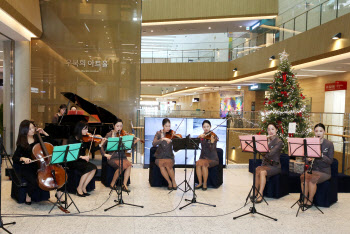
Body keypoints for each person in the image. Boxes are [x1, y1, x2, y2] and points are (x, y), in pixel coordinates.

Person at [13, 120, 64, 204]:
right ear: (24, 130)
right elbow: (15, 157)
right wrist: (23, 158)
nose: (33, 130)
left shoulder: (38, 138)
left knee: (57, 173)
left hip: (41, 164)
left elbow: (52, 142)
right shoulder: (21, 143)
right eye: (30, 129)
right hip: (28, 166)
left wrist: (44, 132)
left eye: (33, 128)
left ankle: (58, 193)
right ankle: (28, 195)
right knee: (33, 180)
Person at [100, 119, 140, 193]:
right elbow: (101, 146)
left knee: (128, 165)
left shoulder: (123, 134)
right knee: (122, 166)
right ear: (113, 126)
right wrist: (104, 154)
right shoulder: (109, 134)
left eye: (121, 126)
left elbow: (128, 146)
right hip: (112, 157)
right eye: (117, 126)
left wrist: (134, 142)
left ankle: (124, 185)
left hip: (122, 156)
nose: (119, 128)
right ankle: (112, 183)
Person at [300, 123, 334, 208]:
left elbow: (330, 161)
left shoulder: (329, 144)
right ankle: (304, 198)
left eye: (320, 131)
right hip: (313, 169)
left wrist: (321, 155)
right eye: (316, 131)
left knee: (312, 179)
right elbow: (305, 159)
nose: (318, 133)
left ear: (324, 132)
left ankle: (310, 200)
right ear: (314, 132)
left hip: (324, 172)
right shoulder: (310, 142)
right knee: (303, 177)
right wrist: (307, 159)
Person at [254, 123, 283, 203]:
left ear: (276, 130)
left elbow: (270, 153)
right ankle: (255, 192)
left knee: (262, 172)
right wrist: (262, 142)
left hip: (275, 166)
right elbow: (260, 151)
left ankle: (260, 194)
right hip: (265, 164)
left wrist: (264, 144)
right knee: (257, 169)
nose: (271, 131)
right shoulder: (266, 140)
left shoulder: (279, 142)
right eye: (269, 129)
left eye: (273, 129)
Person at [67, 121, 97, 197]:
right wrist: (82, 157)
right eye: (85, 129)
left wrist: (100, 145)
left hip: (81, 161)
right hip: (73, 161)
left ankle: (84, 187)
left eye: (87, 129)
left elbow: (92, 150)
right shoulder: (72, 139)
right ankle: (79, 188)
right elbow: (71, 154)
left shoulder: (84, 139)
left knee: (94, 168)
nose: (87, 131)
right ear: (79, 129)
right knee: (89, 168)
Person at [152, 118, 177, 190]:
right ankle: (169, 182)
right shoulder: (158, 133)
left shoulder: (172, 134)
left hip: (169, 156)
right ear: (163, 126)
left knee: (168, 166)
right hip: (160, 156)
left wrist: (174, 140)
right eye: (166, 126)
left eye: (169, 126)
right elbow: (154, 144)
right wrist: (162, 139)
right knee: (162, 165)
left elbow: (176, 148)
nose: (168, 128)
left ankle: (173, 181)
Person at [195, 120, 219, 191]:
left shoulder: (213, 136)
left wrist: (212, 143)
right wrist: (198, 137)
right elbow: (195, 144)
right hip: (203, 157)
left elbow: (212, 150)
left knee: (204, 164)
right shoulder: (202, 136)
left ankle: (205, 183)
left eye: (207, 127)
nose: (206, 128)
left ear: (210, 127)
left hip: (212, 158)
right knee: (198, 163)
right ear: (202, 127)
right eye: (204, 127)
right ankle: (200, 183)